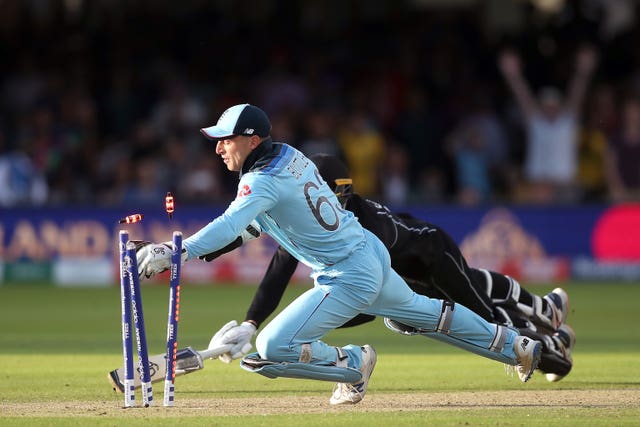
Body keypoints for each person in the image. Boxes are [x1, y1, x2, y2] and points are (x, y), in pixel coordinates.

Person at [135, 103, 542, 406]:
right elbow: (251, 228)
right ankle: (515, 345)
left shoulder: (260, 182)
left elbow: (229, 224)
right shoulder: (289, 155)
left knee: (274, 349)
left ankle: (352, 364)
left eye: (226, 138)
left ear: (252, 140)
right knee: (433, 315)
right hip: (369, 253)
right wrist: (240, 312)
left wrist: (178, 253)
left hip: (348, 274)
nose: (219, 147)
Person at [204, 153, 574, 382]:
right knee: (447, 312)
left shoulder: (366, 222)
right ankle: (544, 312)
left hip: (429, 258)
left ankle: (552, 346)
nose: (333, 202)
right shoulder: (305, 223)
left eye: (337, 194)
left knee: (483, 314)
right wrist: (254, 323)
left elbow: (365, 290)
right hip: (394, 279)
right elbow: (278, 271)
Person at [498, 46, 598, 203]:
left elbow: (577, 93)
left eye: (554, 105)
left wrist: (583, 72)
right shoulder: (536, 124)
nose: (550, 108)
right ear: (541, 107)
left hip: (564, 187)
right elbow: (523, 97)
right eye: (546, 105)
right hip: (536, 187)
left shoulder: (567, 122)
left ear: (560, 106)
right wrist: (513, 75)